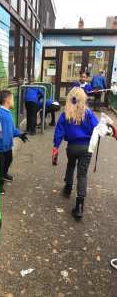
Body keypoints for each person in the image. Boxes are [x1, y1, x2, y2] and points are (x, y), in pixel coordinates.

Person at [52, 87, 98, 221]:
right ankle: (79, 206)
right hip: (86, 147)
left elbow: (59, 131)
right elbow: (96, 128)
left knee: (71, 165)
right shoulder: (88, 113)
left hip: (72, 146)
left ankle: (67, 187)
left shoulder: (66, 113)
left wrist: (56, 146)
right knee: (82, 174)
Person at [0, 90, 28, 195]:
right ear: (7, 100)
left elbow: (12, 129)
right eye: (12, 99)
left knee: (9, 160)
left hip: (8, 146)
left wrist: (20, 134)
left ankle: (4, 174)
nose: (13, 101)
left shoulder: (8, 113)